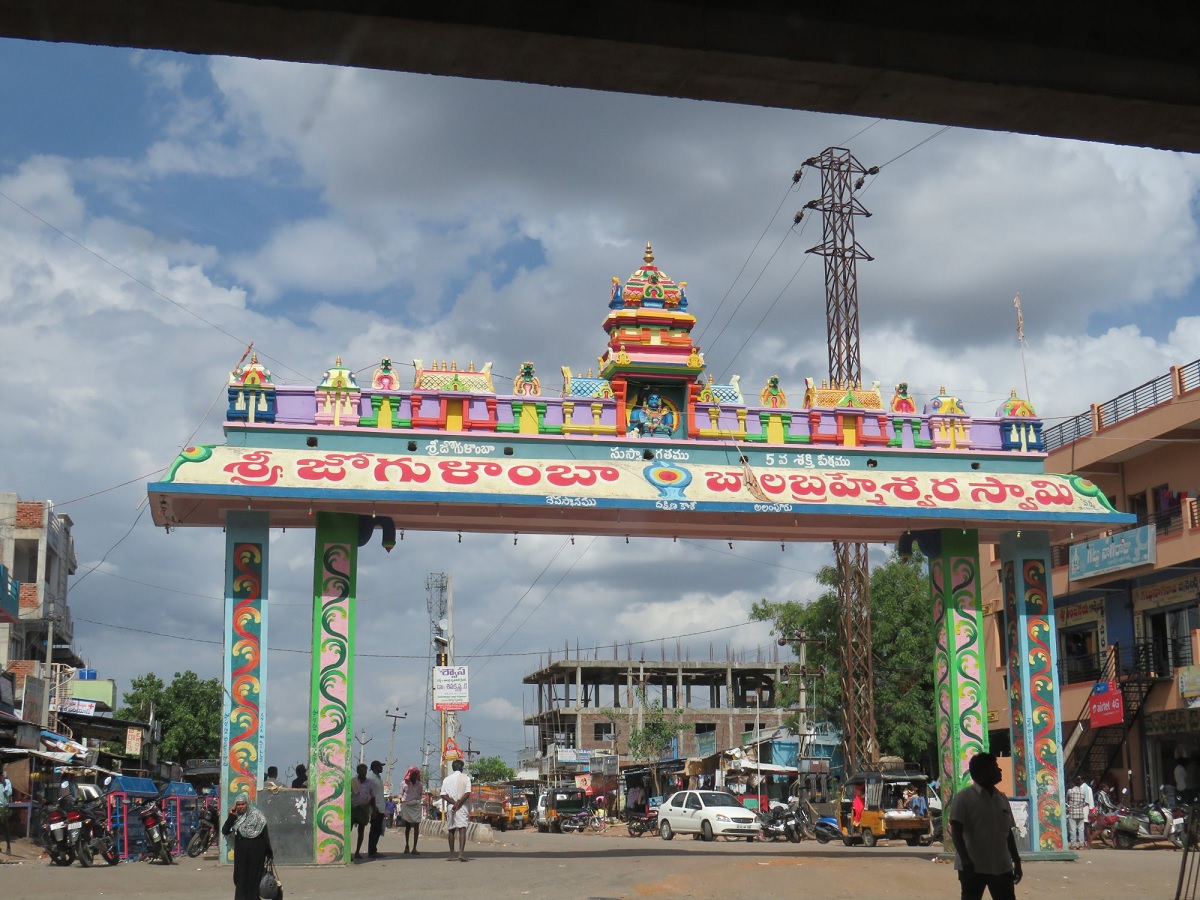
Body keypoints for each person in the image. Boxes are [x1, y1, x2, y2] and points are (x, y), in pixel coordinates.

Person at [949, 752, 1023, 900]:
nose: (1000, 770)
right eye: (995, 767)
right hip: (973, 866)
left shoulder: (1001, 798)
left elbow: (1008, 833)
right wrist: (965, 859)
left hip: (1002, 866)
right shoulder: (963, 798)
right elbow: (956, 831)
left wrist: (1017, 861)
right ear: (983, 772)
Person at [221, 793, 273, 900]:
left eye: (243, 804)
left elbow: (265, 835)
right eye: (238, 804)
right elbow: (225, 830)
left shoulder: (258, 816)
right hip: (241, 852)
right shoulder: (236, 817)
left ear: (247, 803)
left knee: (254, 879)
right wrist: (231, 816)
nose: (240, 807)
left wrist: (269, 852)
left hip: (257, 851)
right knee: (240, 879)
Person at [440, 759, 472, 862]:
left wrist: (453, 803)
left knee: (451, 829)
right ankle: (461, 853)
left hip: (451, 807)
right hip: (461, 807)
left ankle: (451, 854)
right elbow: (467, 793)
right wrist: (458, 803)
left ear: (453, 768)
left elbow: (443, 794)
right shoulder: (466, 778)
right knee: (462, 829)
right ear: (462, 768)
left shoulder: (447, 779)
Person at [350, 762, 375, 860]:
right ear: (358, 771)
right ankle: (348, 852)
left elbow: (373, 797)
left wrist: (374, 809)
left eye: (364, 770)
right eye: (361, 770)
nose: (363, 772)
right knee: (348, 830)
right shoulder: (353, 781)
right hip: (353, 807)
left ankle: (357, 852)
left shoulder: (370, 783)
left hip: (364, 807)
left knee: (361, 831)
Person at [399, 766, 423, 854]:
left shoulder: (419, 784)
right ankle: (407, 846)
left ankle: (414, 848)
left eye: (415, 774)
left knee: (416, 826)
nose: (414, 776)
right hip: (407, 805)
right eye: (412, 774)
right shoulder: (403, 783)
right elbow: (401, 794)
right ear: (409, 774)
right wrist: (402, 801)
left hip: (416, 805)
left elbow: (420, 795)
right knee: (408, 826)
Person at [367, 760, 387, 858]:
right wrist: (374, 809)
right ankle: (372, 851)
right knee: (374, 830)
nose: (382, 768)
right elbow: (371, 795)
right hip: (376, 808)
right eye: (380, 766)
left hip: (380, 807)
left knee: (378, 829)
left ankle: (374, 849)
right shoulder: (372, 779)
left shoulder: (378, 778)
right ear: (376, 767)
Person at [1066, 775, 1088, 850]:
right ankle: (1081, 844)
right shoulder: (1083, 791)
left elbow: (1068, 799)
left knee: (1072, 829)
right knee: (1081, 829)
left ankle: (1073, 844)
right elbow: (1084, 801)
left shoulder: (1070, 791)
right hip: (1080, 813)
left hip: (1072, 813)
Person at [0, 766, 12, 855]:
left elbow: (9, 793)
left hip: (5, 807)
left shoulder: (7, 782)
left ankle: (8, 846)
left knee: (5, 826)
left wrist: (4, 784)